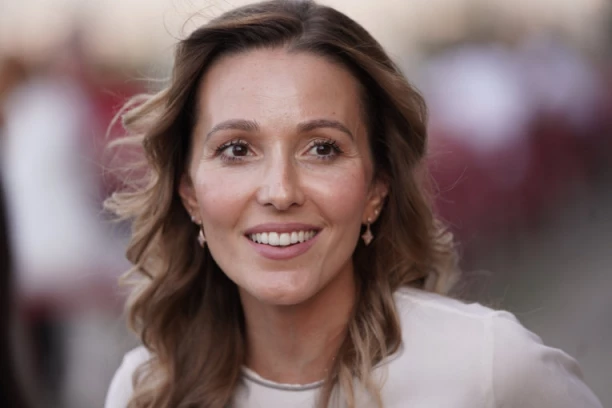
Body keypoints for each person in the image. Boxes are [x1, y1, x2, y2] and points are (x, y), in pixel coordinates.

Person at [104, 1, 603, 407]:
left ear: (376, 189)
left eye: (322, 148)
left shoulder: (492, 370)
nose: (280, 191)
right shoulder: (146, 389)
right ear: (189, 193)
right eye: (236, 150)